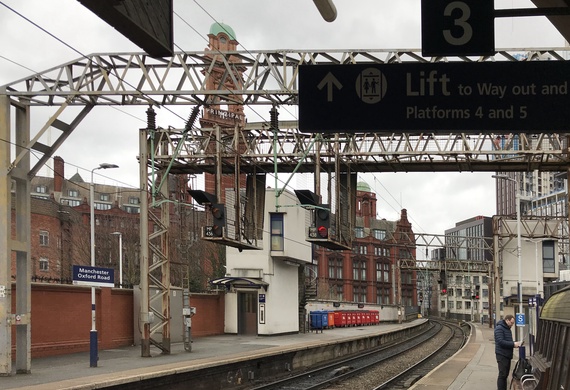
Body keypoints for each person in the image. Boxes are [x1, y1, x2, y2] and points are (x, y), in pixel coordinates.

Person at [494, 314, 522, 390]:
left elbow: (507, 341)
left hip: (507, 355)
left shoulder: (506, 328)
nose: (512, 325)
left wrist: (515, 343)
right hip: (502, 355)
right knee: (502, 375)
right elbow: (501, 342)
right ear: (507, 320)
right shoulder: (499, 328)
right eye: (511, 323)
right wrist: (513, 344)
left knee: (505, 375)